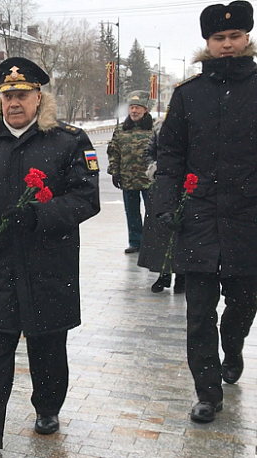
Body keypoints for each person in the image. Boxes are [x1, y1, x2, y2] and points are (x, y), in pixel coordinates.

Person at [0, 57, 100, 450]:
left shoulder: (68, 141)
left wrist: (41, 216)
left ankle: (47, 406)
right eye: (7, 96)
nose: (14, 103)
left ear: (39, 98)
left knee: (47, 342)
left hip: (49, 261)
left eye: (22, 95)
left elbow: (86, 198)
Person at [155, 0, 257, 424]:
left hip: (249, 219)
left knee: (242, 304)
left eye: (234, 36)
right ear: (208, 43)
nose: (227, 44)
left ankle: (232, 347)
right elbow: (171, 156)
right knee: (198, 313)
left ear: (247, 37)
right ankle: (207, 392)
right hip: (197, 220)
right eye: (219, 38)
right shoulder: (187, 95)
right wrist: (165, 208)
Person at [138, 118, 185, 293]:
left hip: (185, 188)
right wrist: (155, 168)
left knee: (181, 231)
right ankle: (163, 273)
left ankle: (182, 275)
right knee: (160, 233)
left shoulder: (194, 127)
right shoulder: (160, 129)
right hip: (162, 186)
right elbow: (148, 153)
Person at [107, 90, 153, 254]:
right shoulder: (121, 129)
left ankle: (151, 241)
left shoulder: (154, 129)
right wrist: (114, 171)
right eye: (131, 107)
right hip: (128, 179)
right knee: (132, 212)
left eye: (137, 108)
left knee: (152, 212)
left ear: (145, 109)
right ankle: (135, 242)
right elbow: (114, 152)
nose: (134, 111)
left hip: (150, 180)